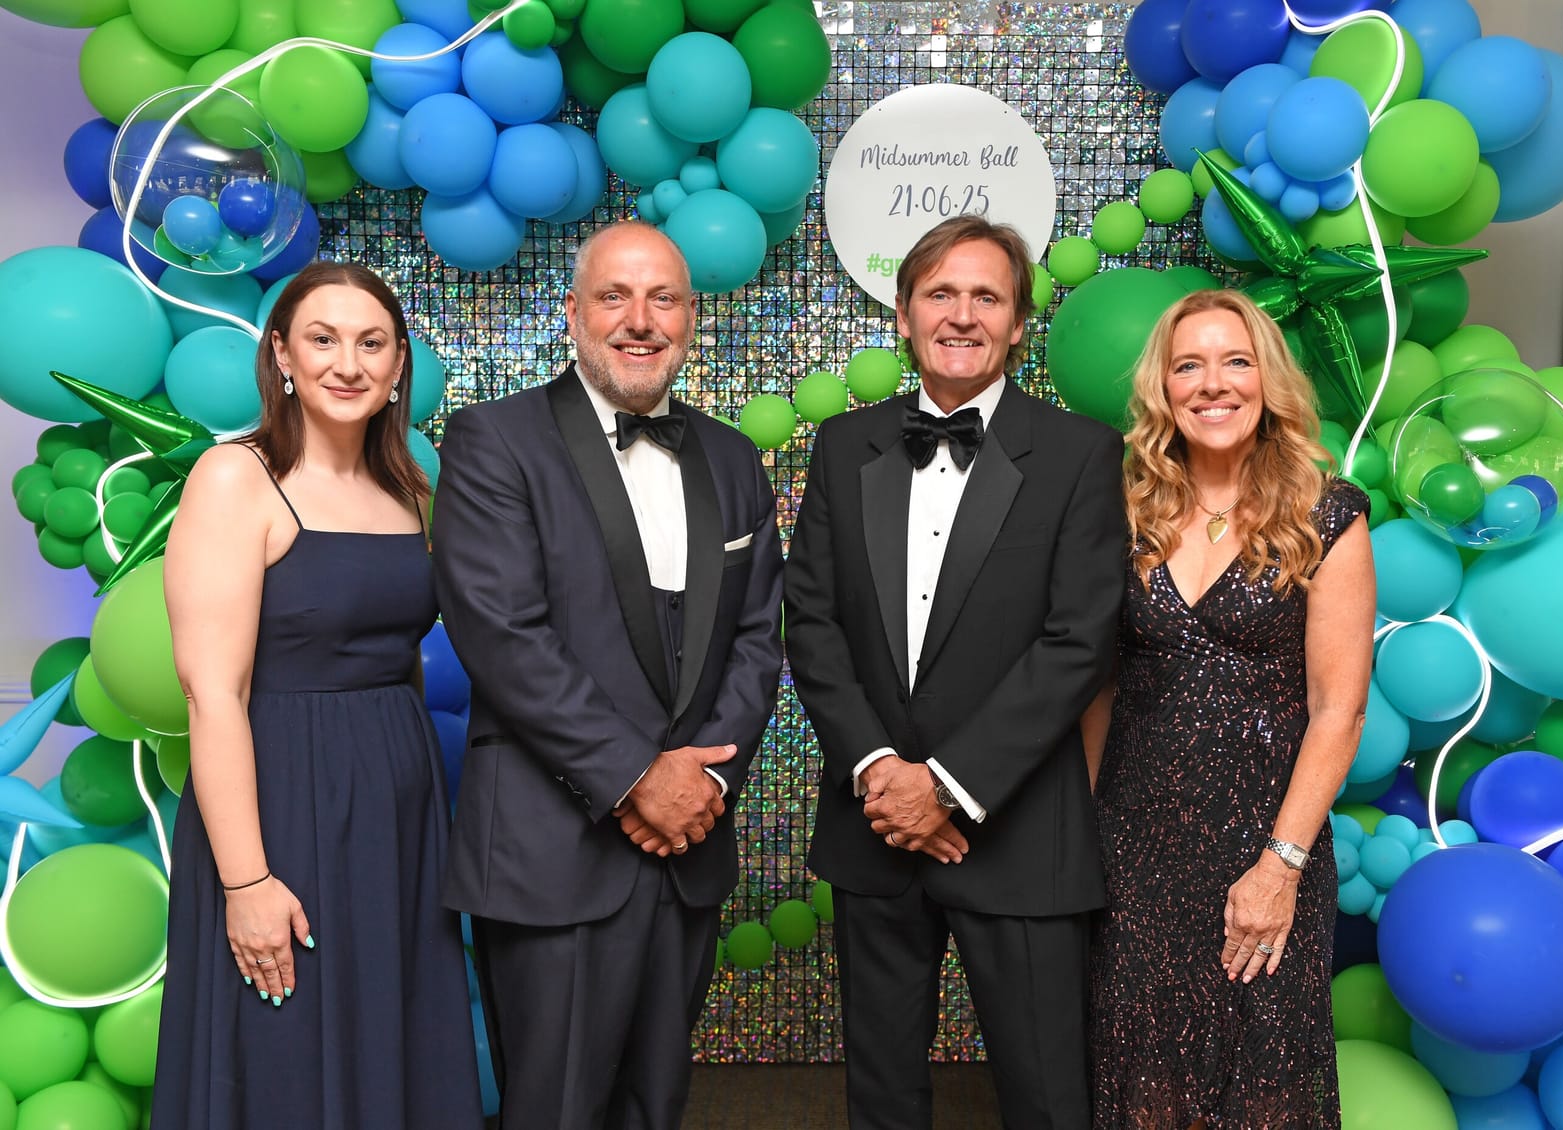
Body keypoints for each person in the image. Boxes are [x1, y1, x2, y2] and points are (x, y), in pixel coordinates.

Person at [430, 221, 784, 1130]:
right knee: (554, 1111)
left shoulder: (733, 458)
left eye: (663, 298)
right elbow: (502, 633)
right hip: (552, 850)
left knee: (655, 1106)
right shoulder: (494, 439)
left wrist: (702, 786)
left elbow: (758, 638)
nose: (640, 320)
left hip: (688, 845)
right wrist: (636, 778)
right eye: (613, 297)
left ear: (691, 316)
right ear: (573, 314)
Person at [785, 214, 1127, 1128]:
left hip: (1018, 831)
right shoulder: (842, 445)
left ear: (1018, 324)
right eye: (940, 293)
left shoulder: (1081, 453)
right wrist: (879, 772)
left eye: (987, 297)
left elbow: (1079, 642)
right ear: (903, 315)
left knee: (1048, 1097)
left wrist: (945, 786)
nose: (962, 315)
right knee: (881, 1095)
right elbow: (811, 622)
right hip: (873, 826)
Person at [152, 262, 481, 1127]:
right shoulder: (236, 478)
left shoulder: (406, 489)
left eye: (372, 343)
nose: (348, 363)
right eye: (323, 339)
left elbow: (400, 658)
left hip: (398, 809)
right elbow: (211, 694)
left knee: (392, 1038)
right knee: (285, 1054)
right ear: (282, 356)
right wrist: (246, 881)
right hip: (282, 802)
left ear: (399, 364)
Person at [1084, 288, 1376, 1128]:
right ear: (1164, 388)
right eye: (1189, 365)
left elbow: (1339, 710)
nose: (1213, 383)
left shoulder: (1327, 513)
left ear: (1267, 380)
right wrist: (1085, 831)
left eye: (1236, 361)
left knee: (1262, 1087)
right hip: (1136, 850)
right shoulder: (1123, 512)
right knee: (1140, 1083)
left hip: (1266, 846)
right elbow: (1099, 687)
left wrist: (1280, 867)